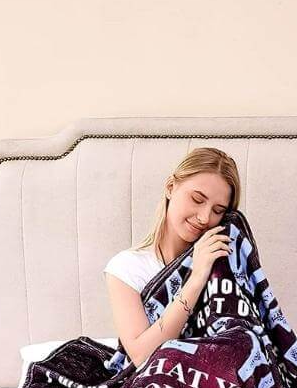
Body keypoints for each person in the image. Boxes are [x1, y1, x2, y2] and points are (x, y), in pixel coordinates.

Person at [103, 148, 242, 367]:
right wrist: (196, 279)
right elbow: (141, 356)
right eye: (197, 199)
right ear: (170, 187)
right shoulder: (128, 267)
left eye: (218, 211)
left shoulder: (224, 260)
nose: (204, 217)